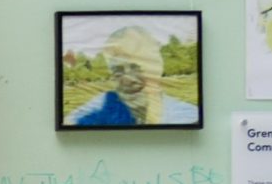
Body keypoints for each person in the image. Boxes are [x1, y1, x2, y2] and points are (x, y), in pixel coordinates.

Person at [65, 27, 194, 127]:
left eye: (135, 68)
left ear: (155, 65)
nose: (128, 79)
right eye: (118, 71)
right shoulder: (101, 105)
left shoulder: (187, 116)